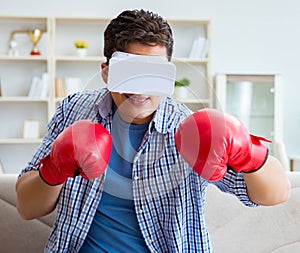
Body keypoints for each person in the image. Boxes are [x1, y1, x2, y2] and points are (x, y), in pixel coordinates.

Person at [16, 9, 291, 253]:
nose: (140, 88)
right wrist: (55, 168)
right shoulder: (74, 110)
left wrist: (249, 152)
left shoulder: (190, 130)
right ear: (106, 72)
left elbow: (275, 195)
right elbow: (28, 207)